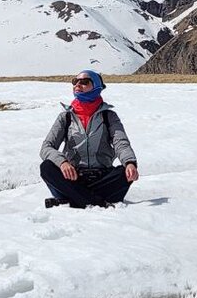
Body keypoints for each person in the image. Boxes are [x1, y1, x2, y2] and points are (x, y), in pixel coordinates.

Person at [39, 69, 139, 208]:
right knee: (47, 167)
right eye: (75, 81)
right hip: (72, 178)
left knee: (124, 173)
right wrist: (62, 163)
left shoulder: (109, 116)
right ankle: (97, 201)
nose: (78, 85)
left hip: (102, 177)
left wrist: (130, 163)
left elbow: (120, 143)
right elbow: (46, 147)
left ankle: (75, 199)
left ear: (97, 87)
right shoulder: (65, 117)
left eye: (84, 82)